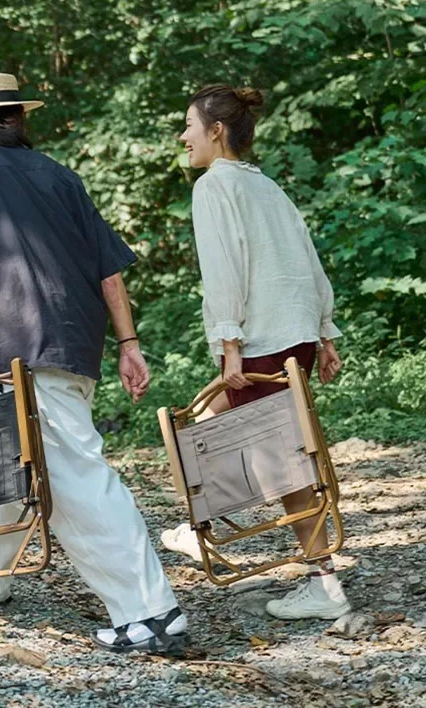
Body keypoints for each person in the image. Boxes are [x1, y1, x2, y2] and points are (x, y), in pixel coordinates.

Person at [0, 72, 186, 654]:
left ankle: (151, 612)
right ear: (17, 118)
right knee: (5, 448)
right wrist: (128, 344)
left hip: (23, 344)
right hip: (74, 342)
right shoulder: (60, 176)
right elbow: (108, 269)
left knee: (76, 479)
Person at [161, 83, 350, 621]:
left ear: (215, 131)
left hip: (260, 345)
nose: (183, 136)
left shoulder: (214, 187)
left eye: (189, 126)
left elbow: (225, 271)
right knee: (200, 430)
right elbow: (306, 262)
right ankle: (204, 529)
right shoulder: (267, 187)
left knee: (275, 460)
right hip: (292, 341)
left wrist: (230, 347)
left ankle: (322, 585)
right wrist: (323, 333)